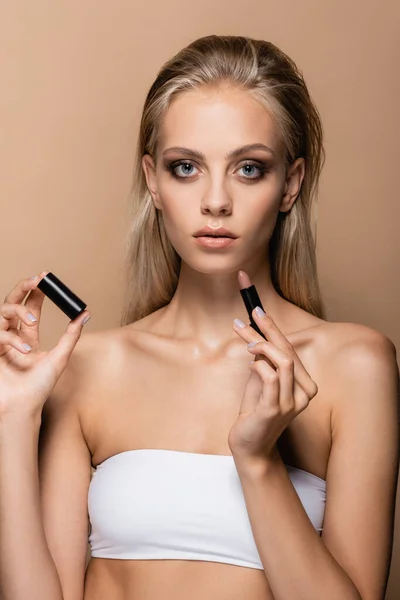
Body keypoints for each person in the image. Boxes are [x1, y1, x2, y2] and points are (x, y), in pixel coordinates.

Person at [0, 34, 398, 600]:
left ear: (291, 184)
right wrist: (13, 420)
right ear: (153, 181)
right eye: (185, 167)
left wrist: (258, 461)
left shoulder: (356, 366)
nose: (215, 201)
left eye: (250, 169)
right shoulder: (86, 366)